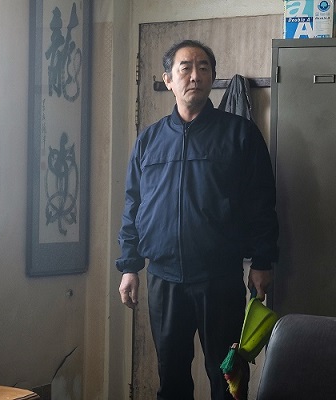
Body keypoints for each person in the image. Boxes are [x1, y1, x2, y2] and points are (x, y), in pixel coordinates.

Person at [116, 39, 279, 400]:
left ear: (212, 78)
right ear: (168, 80)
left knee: (228, 377)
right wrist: (129, 266)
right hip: (164, 277)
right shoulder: (149, 140)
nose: (195, 75)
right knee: (171, 378)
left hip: (219, 278)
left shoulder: (239, 134)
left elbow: (261, 203)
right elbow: (133, 206)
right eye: (186, 68)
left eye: (204, 68)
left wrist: (262, 261)